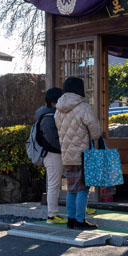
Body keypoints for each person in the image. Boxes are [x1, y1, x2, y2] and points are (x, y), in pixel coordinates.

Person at [53, 76, 102, 231]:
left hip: (67, 154)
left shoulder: (59, 109)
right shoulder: (83, 107)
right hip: (83, 154)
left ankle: (71, 220)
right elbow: (95, 131)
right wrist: (96, 139)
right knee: (83, 188)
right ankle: (80, 220)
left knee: (72, 188)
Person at [35, 86, 63, 223]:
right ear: (53, 103)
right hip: (53, 155)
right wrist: (65, 148)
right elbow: (53, 140)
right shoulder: (49, 118)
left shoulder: (46, 115)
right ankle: (52, 215)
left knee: (54, 184)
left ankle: (53, 214)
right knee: (53, 185)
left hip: (52, 154)